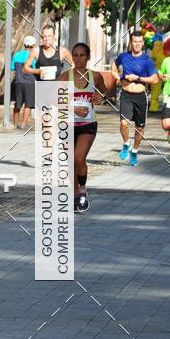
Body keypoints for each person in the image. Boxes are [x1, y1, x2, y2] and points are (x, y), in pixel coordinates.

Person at [58, 43, 106, 213]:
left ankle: (83, 189)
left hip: (88, 124)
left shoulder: (95, 76)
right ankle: (75, 194)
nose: (78, 59)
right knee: (70, 161)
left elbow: (103, 91)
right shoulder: (65, 77)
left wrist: (100, 98)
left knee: (79, 158)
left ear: (88, 57)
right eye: (75, 55)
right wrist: (73, 108)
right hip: (67, 124)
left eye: (82, 55)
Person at [111, 29, 159, 166]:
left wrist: (137, 78)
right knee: (123, 123)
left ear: (143, 43)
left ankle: (135, 151)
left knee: (140, 128)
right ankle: (126, 144)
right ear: (131, 43)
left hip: (140, 97)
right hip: (126, 95)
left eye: (139, 42)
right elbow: (113, 69)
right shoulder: (123, 56)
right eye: (134, 42)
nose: (137, 44)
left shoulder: (147, 60)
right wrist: (120, 78)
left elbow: (155, 79)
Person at [11, 35, 37, 129]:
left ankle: (15, 124)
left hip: (18, 82)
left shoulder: (17, 55)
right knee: (28, 104)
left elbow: (12, 68)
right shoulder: (33, 56)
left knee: (17, 104)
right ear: (34, 45)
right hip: (30, 83)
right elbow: (35, 68)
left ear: (24, 44)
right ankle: (24, 124)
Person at [158, 45, 170, 144]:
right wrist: (163, 77)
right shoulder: (167, 61)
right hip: (169, 96)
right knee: (166, 125)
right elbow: (160, 73)